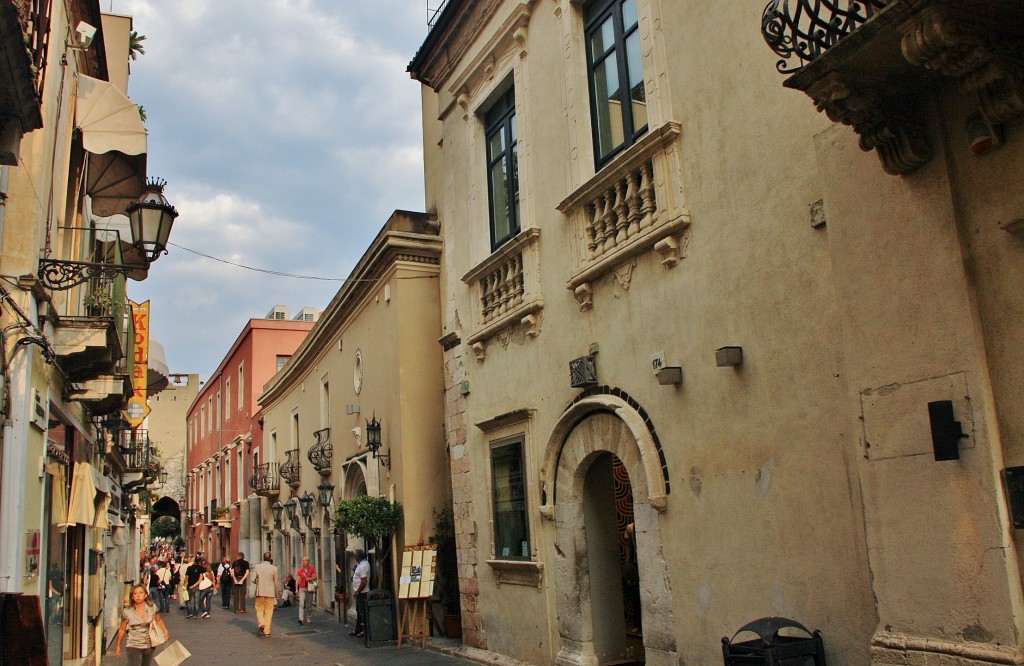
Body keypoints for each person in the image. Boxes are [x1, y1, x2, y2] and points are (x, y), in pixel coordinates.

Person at [114, 584, 169, 666]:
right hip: (133, 645)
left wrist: (165, 632)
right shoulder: (127, 611)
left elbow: (158, 620)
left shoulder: (152, 607)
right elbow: (122, 629)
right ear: (132, 597)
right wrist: (118, 645)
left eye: (141, 593)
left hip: (149, 644)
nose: (138, 596)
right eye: (135, 594)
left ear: (145, 595)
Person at [252, 551, 280, 637]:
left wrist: (259, 582)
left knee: (259, 609)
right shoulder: (274, 568)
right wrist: (277, 593)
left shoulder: (257, 567)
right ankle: (267, 631)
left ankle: (262, 624)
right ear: (270, 559)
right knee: (269, 611)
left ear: (263, 558)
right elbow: (276, 582)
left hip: (260, 592)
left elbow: (253, 579)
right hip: (270, 592)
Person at [349, 549, 369, 638]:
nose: (354, 557)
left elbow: (364, 581)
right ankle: (358, 629)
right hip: (361, 592)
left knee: (362, 612)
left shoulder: (363, 566)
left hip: (362, 592)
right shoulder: (361, 564)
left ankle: (364, 631)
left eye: (355, 555)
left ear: (358, 557)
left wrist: (358, 591)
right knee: (359, 610)